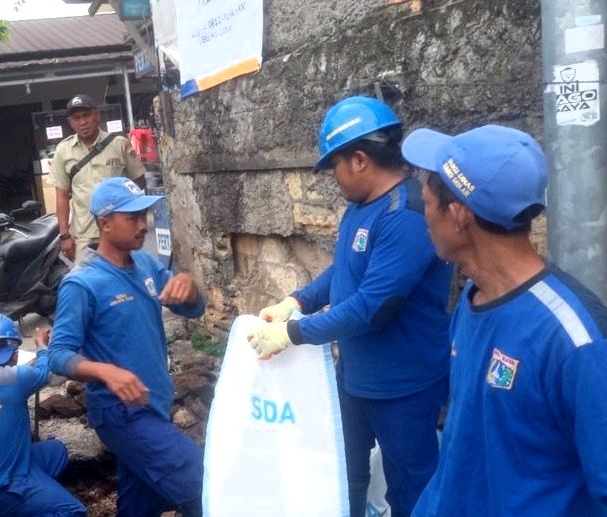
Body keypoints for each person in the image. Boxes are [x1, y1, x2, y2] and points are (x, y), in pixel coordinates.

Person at [247, 96, 453, 517]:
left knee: (411, 487)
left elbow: (372, 307)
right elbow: (343, 272)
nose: (333, 177)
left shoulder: (406, 214)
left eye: (334, 165)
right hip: (357, 376)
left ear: (360, 160)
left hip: (402, 385)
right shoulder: (361, 207)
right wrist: (296, 301)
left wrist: (292, 333)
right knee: (345, 472)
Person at [401, 124, 607, 516]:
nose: (421, 210)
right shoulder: (473, 296)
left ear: (458, 215)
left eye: (426, 199)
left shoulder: (575, 340)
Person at [49, 177, 206, 517]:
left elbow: (191, 308)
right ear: (105, 223)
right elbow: (57, 355)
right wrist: (106, 371)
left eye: (144, 214)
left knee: (140, 504)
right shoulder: (82, 283)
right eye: (132, 217)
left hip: (154, 404)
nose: (143, 224)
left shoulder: (146, 263)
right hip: (121, 414)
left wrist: (189, 287)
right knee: (203, 483)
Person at [0, 314, 87, 517]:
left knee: (55, 451)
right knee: (74, 512)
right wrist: (42, 346)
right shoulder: (15, 378)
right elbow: (44, 373)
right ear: (15, 353)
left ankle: (33, 501)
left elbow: (14, 380)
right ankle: (25, 503)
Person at [47, 93, 147, 261]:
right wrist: (64, 236)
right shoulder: (63, 151)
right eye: (77, 118)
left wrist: (128, 214)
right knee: (88, 276)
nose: (83, 122)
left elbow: (138, 182)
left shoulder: (119, 144)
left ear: (97, 115)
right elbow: (62, 196)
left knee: (125, 274)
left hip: (119, 233)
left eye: (87, 115)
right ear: (71, 123)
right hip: (84, 236)